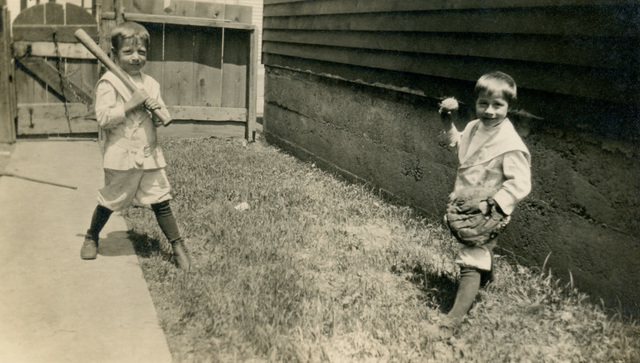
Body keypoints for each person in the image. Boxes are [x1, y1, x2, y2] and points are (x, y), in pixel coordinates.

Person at [79, 21, 191, 271]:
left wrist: (157, 114)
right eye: (128, 52)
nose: (136, 57)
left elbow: (158, 113)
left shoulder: (151, 84)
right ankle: (92, 236)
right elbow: (104, 119)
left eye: (141, 52)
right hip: (121, 155)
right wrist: (131, 103)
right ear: (115, 54)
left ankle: (177, 245)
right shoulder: (109, 82)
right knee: (111, 200)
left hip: (149, 154)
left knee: (161, 199)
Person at [438, 71, 531, 328]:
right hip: (466, 203)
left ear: (509, 107)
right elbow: (460, 146)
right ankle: (487, 280)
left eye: (498, 105)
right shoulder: (473, 127)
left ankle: (454, 319)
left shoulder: (509, 143)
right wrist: (448, 123)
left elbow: (520, 182)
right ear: (476, 102)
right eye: (483, 104)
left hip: (488, 212)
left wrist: (490, 204)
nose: (489, 111)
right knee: (481, 252)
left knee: (471, 256)